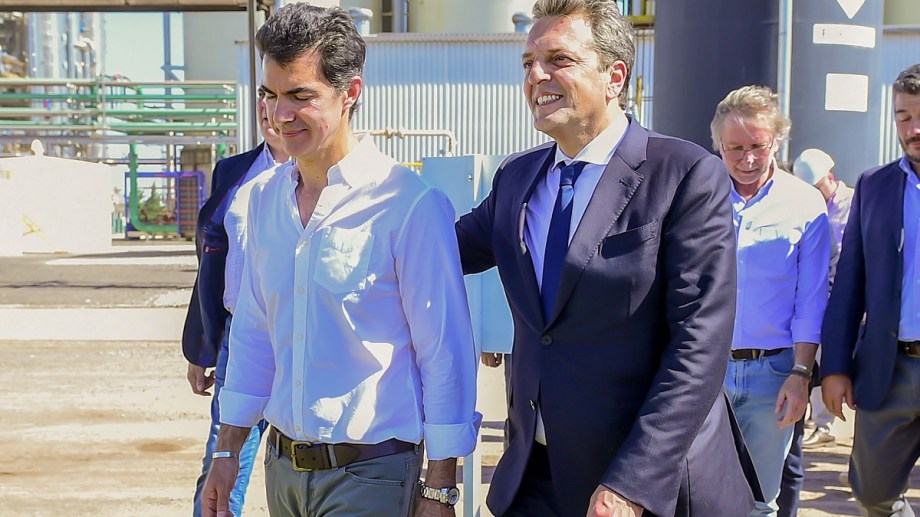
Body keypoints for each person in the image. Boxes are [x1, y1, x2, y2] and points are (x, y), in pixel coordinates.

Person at [456, 1, 757, 515]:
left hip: (645, 488)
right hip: (536, 478)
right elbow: (440, 250)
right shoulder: (516, 179)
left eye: (558, 59)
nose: (536, 75)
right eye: (529, 62)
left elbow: (699, 345)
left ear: (614, 76)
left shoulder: (683, 173)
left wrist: (633, 483)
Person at [200, 4, 480, 517]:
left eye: (300, 96)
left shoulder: (407, 204)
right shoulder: (261, 200)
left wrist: (440, 488)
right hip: (282, 472)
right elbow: (254, 333)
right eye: (271, 95)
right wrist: (226, 451)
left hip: (371, 475)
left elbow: (443, 353)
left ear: (350, 92)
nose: (280, 115)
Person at [711, 85, 830, 517]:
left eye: (757, 146)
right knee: (695, 493)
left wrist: (801, 374)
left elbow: (811, 300)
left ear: (777, 140)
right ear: (718, 145)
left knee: (760, 502)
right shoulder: (698, 196)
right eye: (735, 148)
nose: (746, 159)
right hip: (706, 372)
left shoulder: (805, 203)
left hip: (774, 376)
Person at [821, 63, 920, 517]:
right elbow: (849, 285)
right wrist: (835, 367)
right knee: (872, 493)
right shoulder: (874, 185)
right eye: (904, 116)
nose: (913, 129)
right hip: (889, 369)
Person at [182, 95, 287, 517]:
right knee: (222, 463)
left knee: (313, 469)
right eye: (265, 95)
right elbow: (211, 261)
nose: (269, 107)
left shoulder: (330, 177)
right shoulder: (233, 171)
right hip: (239, 338)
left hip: (306, 340)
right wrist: (202, 346)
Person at [793, 147, 854, 448]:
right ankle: (822, 423)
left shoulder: (854, 202)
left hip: (851, 296)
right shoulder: (807, 206)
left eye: (817, 187)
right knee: (817, 359)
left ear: (830, 176)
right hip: (821, 293)